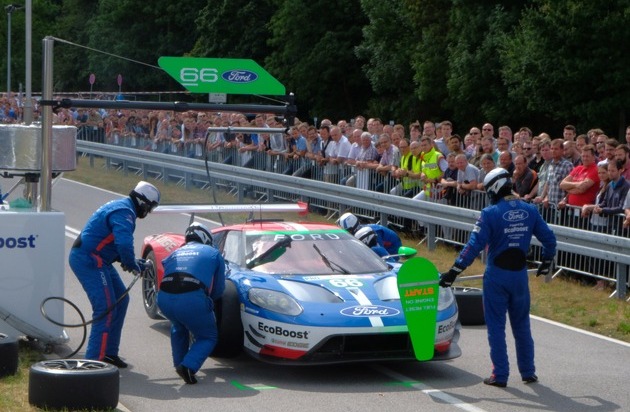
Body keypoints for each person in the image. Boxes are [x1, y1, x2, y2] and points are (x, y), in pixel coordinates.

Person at [439, 168, 556, 388]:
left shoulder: (490, 213)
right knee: (522, 325)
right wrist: (547, 261)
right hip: (520, 276)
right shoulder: (530, 210)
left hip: (496, 277)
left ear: (493, 187)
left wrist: (454, 271)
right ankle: (528, 372)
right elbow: (549, 239)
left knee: (496, 327)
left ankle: (500, 375)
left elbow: (473, 246)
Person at [69, 181, 161, 367]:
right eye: (149, 208)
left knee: (121, 299)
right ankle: (94, 363)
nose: (148, 212)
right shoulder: (124, 213)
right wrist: (131, 264)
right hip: (90, 260)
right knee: (106, 308)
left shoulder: (123, 207)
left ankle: (109, 352)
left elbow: (109, 242)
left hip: (99, 259)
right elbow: (124, 244)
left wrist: (131, 261)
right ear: (143, 202)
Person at [157, 222, 225, 385]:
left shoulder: (175, 252)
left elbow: (165, 266)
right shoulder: (214, 253)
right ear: (206, 238)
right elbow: (219, 289)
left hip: (164, 298)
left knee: (178, 326)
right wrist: (209, 302)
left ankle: (179, 363)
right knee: (208, 336)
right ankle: (188, 366)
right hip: (191, 297)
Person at [336, 212, 402, 260]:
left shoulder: (372, 233)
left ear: (352, 229)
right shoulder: (361, 231)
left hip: (392, 248)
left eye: (346, 231)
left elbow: (380, 254)